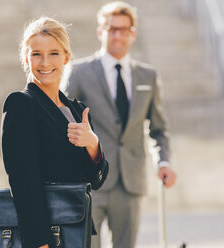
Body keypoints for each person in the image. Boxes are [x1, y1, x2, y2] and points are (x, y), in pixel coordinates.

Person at [65, 2, 177, 247]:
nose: (117, 35)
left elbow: (158, 129)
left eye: (123, 29)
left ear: (133, 33)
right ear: (100, 31)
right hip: (89, 181)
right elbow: (62, 121)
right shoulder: (79, 72)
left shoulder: (148, 76)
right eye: (111, 28)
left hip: (130, 183)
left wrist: (163, 161)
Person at [1, 17, 109, 248]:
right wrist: (39, 242)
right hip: (46, 235)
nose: (45, 62)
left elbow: (96, 180)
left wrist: (92, 144)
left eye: (54, 53)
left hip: (75, 228)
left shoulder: (77, 110)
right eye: (36, 54)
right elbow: (22, 182)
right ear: (26, 59)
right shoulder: (21, 104)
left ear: (66, 57)